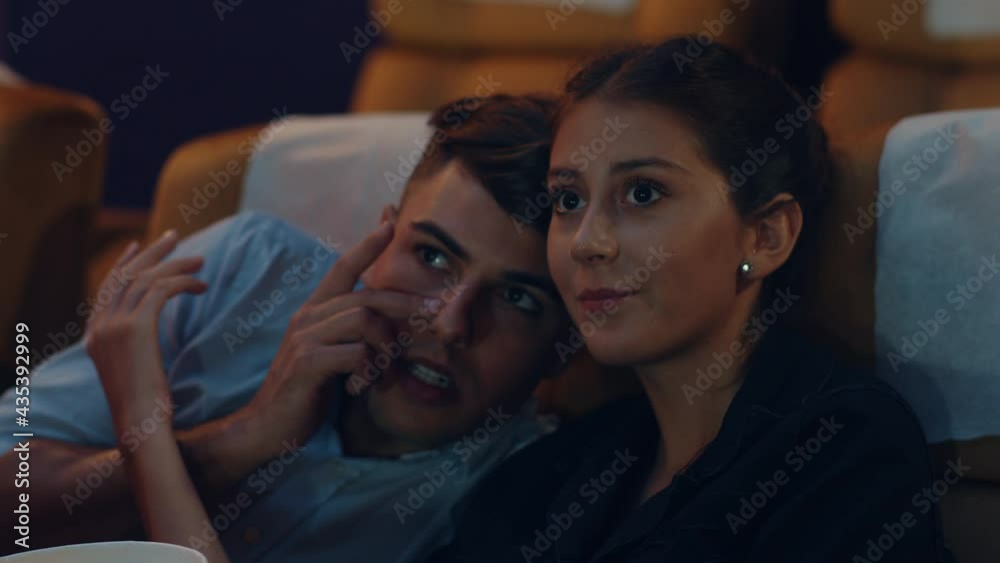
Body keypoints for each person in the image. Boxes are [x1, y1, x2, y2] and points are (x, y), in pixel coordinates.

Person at [427, 39, 956, 562]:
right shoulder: (553, 470)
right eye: (568, 199)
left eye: (643, 193)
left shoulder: (840, 447)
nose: (586, 243)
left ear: (765, 237)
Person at [0, 94, 570, 563]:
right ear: (382, 236)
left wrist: (166, 431)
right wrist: (237, 439)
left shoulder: (531, 499)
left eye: (517, 299)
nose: (448, 324)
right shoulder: (244, 269)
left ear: (563, 348)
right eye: (432, 256)